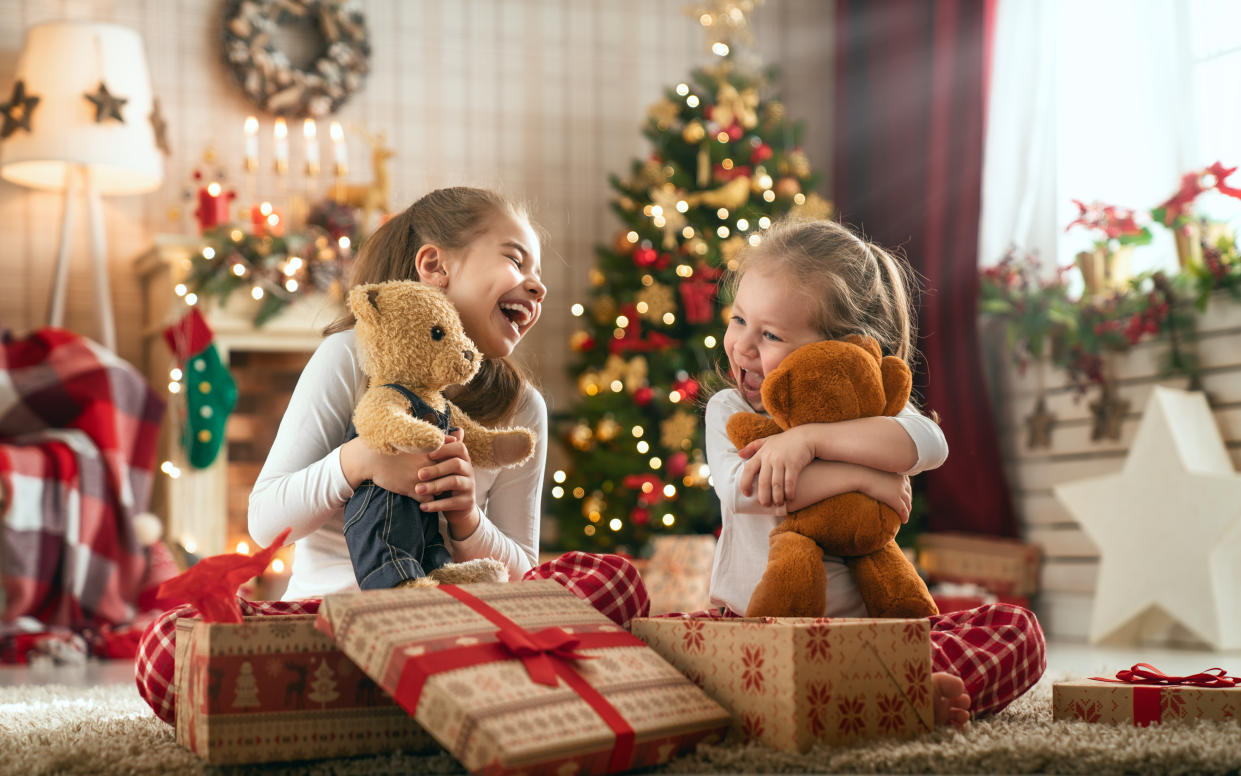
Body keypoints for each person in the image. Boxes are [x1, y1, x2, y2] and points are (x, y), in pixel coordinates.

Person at [134, 187, 649, 725]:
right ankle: (433, 697)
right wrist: (359, 462)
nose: (538, 286)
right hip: (332, 622)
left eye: (537, 274)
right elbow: (265, 522)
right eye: (515, 259)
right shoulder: (347, 358)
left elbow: (525, 573)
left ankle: (384, 701)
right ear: (434, 264)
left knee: (615, 582)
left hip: (455, 619)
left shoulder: (523, 409)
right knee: (171, 645)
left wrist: (468, 520)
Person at [704, 217, 1045, 727]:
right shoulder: (730, 409)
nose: (743, 346)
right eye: (738, 320)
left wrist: (809, 439)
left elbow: (930, 444)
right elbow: (746, 490)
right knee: (669, 642)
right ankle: (883, 699)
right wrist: (864, 478)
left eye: (771, 334)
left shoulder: (877, 407)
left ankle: (871, 695)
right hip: (759, 631)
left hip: (867, 638)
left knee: (1016, 628)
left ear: (842, 348)